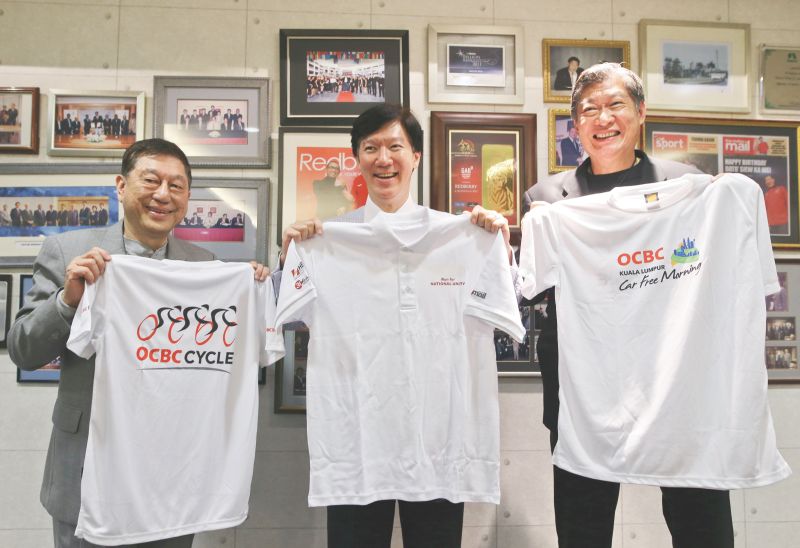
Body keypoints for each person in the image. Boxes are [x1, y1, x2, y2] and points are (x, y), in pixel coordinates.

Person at [7, 138, 269, 548]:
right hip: (87, 466)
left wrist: (249, 290)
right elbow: (24, 350)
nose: (163, 194)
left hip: (172, 477)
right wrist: (67, 301)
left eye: (177, 186)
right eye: (151, 180)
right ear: (121, 185)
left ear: (187, 198)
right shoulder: (70, 251)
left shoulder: (204, 266)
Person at [279, 104, 513, 548]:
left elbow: (507, 310)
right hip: (356, 451)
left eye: (395, 147)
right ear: (357, 159)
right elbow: (286, 316)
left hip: (440, 447)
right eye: (371, 148)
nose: (383, 159)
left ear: (416, 156)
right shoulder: (325, 240)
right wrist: (289, 258)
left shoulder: (464, 236)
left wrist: (497, 247)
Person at [522, 63, 734, 548]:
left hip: (675, 382)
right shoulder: (549, 197)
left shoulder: (688, 186)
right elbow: (532, 291)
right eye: (589, 110)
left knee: (701, 521)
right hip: (584, 392)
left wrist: (725, 200)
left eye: (615, 105)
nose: (603, 119)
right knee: (583, 526)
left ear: (640, 112)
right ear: (575, 126)